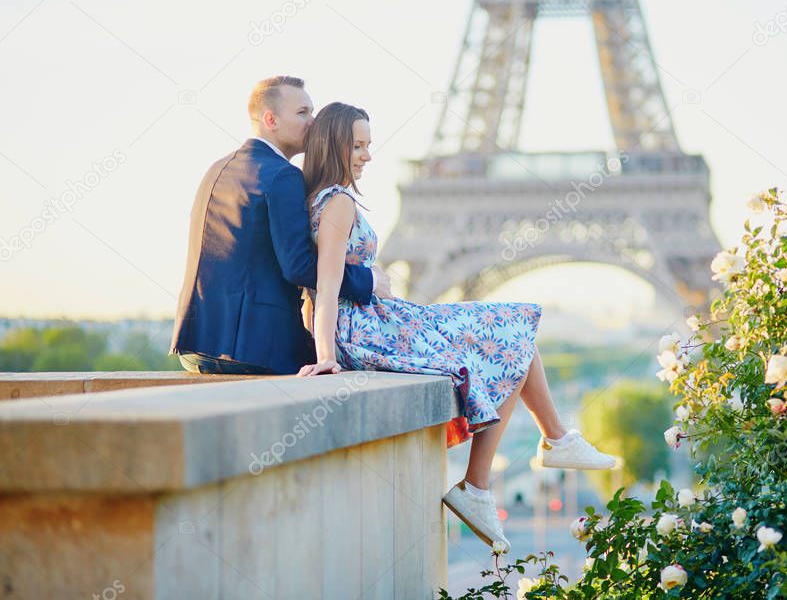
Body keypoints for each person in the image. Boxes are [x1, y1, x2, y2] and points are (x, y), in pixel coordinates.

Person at [298, 101, 616, 551]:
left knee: (514, 333)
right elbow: (326, 286)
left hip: (377, 320)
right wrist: (327, 357)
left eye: (369, 145)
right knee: (511, 334)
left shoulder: (327, 199)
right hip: (368, 330)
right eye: (357, 145)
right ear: (333, 144)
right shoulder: (339, 203)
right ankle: (508, 468)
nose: (367, 155)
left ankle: (528, 456)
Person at [170, 76, 388, 375]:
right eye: (302, 113)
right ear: (270, 119)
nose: (312, 122)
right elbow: (298, 266)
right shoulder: (283, 175)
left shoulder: (216, 169)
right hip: (254, 348)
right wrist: (370, 281)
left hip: (194, 345)